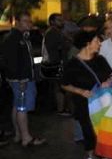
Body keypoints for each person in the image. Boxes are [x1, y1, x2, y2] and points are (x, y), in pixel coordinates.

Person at [61, 31, 112, 159]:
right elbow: (64, 84)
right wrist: (80, 91)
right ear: (87, 43)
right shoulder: (73, 64)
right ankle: (91, 157)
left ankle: (106, 155)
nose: (100, 44)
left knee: (104, 128)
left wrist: (109, 81)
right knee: (88, 130)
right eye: (97, 41)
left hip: (103, 102)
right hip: (83, 103)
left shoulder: (100, 60)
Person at [0, 12, 46, 147]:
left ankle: (19, 134)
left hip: (21, 79)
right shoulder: (14, 38)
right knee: (22, 107)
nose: (29, 23)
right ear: (17, 22)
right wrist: (21, 79)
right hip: (22, 80)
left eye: (29, 21)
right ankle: (26, 138)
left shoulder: (22, 36)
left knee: (17, 105)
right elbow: (12, 62)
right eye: (25, 21)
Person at [43, 13, 71, 115]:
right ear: (52, 22)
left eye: (62, 20)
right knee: (60, 87)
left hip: (58, 63)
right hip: (57, 64)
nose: (62, 22)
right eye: (59, 20)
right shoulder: (52, 33)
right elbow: (57, 48)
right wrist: (66, 43)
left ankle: (61, 108)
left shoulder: (57, 32)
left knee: (59, 87)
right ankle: (60, 109)